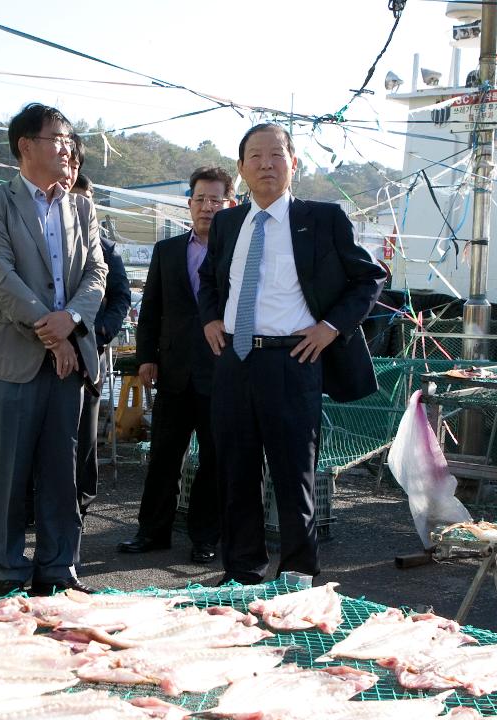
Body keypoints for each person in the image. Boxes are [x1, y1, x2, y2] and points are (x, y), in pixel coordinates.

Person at [198, 124, 385, 585]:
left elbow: (369, 278)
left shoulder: (322, 218)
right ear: (241, 168)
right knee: (236, 471)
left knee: (293, 474)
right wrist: (209, 319)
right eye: (255, 156)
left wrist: (330, 328)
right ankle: (242, 569)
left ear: (293, 164)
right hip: (236, 359)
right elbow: (208, 281)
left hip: (294, 360)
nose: (266, 164)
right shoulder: (227, 222)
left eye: (276, 155)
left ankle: (299, 573)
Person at [0, 103, 106, 597]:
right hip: (13, 355)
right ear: (26, 146)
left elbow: (97, 274)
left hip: (69, 356)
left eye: (69, 140)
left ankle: (59, 568)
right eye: (58, 138)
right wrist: (52, 331)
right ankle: (7, 567)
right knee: (8, 467)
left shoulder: (82, 205)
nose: (68, 148)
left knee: (62, 469)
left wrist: (71, 324)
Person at [119, 166, 235, 565]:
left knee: (214, 459)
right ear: (188, 204)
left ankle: (206, 537)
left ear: (229, 204)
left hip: (221, 372)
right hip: (172, 371)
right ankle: (151, 532)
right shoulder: (167, 251)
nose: (207, 207)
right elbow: (150, 310)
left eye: (215, 200)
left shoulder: (237, 252)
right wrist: (146, 357)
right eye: (200, 199)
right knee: (164, 456)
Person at [64, 154, 130, 521]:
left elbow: (120, 295)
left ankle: (82, 499)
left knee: (85, 433)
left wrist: (103, 328)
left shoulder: (106, 247)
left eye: (85, 198)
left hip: (91, 348)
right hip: (45, 347)